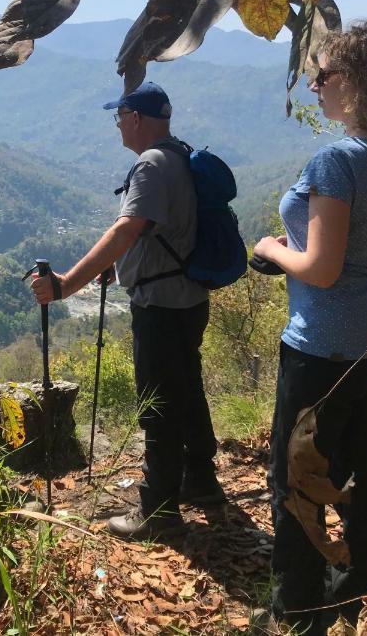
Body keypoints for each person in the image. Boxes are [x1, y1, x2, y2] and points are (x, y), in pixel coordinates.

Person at [253, 22, 367, 634]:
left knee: (298, 477)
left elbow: (321, 267)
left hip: (322, 347)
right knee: (361, 461)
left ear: (354, 82)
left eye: (324, 75)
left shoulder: (337, 159)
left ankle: (299, 610)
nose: (315, 86)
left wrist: (270, 246)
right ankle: (364, 590)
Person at [31, 81, 224, 541]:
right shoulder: (178, 154)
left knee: (157, 403)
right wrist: (125, 268)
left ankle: (158, 509)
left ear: (134, 117)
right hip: (187, 296)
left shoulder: (151, 164)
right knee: (186, 387)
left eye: (118, 117)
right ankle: (200, 478)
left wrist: (63, 285)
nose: (117, 125)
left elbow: (125, 230)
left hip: (160, 306)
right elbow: (162, 232)